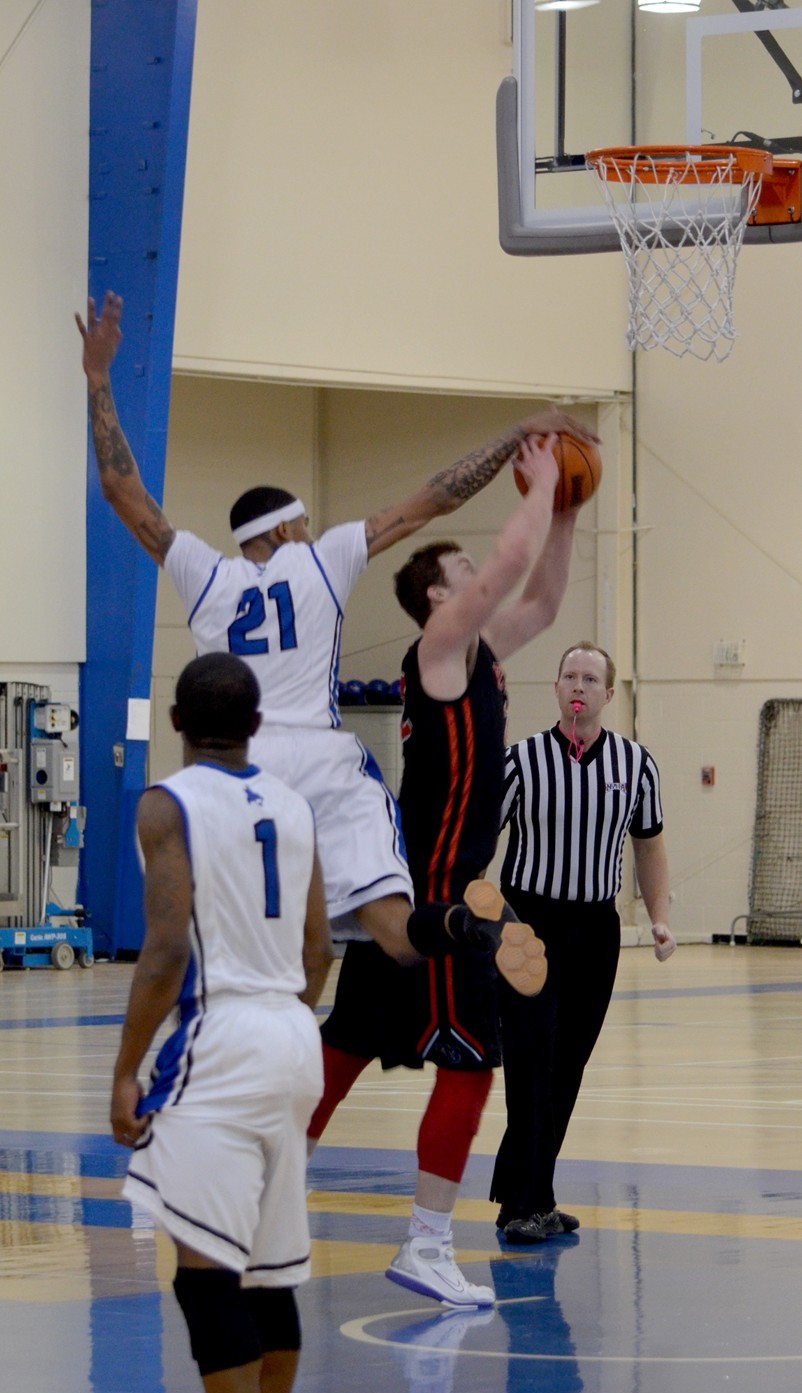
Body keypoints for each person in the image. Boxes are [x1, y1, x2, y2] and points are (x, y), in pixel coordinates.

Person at [76, 289, 597, 972]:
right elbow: (433, 499)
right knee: (395, 931)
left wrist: (97, 377)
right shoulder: (320, 559)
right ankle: (465, 930)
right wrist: (511, 437)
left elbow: (122, 490)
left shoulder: (204, 575)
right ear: (288, 527)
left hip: (240, 767)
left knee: (260, 942)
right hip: (322, 760)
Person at [309, 434, 583, 1309]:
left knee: (346, 1045)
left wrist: (567, 512)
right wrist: (537, 488)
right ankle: (427, 1243)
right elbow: (510, 563)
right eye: (464, 568)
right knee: (468, 1060)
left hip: (416, 887)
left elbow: (538, 596)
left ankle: (249, 1195)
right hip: (434, 901)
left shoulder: (480, 657)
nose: (483, 574)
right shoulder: (438, 648)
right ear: (437, 595)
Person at [109, 652, 334, 1393]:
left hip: (227, 1034)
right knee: (267, 1271)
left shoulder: (168, 803)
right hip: (293, 1030)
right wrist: (288, 1025)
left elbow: (166, 946)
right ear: (256, 723)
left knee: (206, 1275)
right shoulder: (295, 804)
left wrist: (127, 1069)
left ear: (176, 720)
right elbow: (320, 945)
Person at [490, 641, 676, 1244]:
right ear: (555, 687)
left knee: (567, 1065)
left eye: (590, 678)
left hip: (596, 930)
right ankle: (524, 1199)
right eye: (569, 675)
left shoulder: (635, 765)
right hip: (529, 929)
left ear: (608, 693)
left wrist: (659, 917)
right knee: (529, 1063)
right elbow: (479, 837)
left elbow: (649, 845)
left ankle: (532, 1195)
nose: (578, 686)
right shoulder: (520, 762)